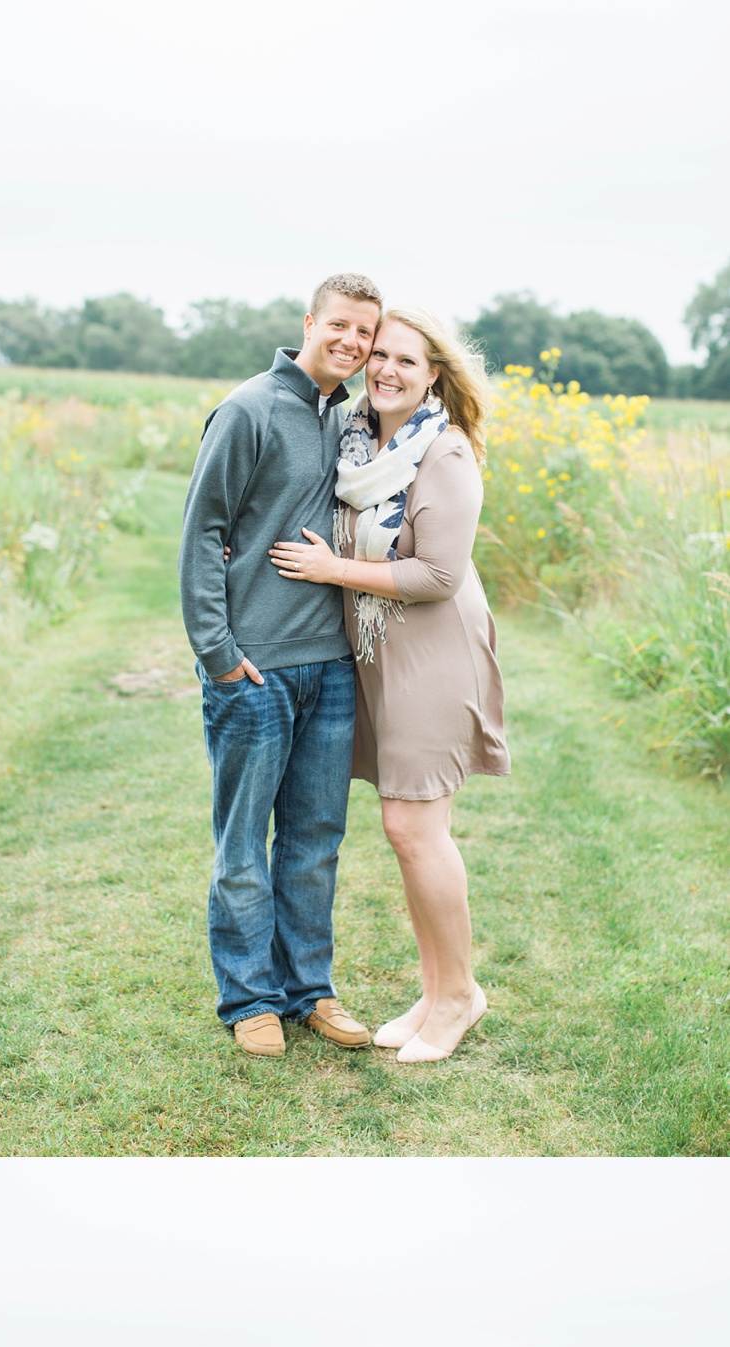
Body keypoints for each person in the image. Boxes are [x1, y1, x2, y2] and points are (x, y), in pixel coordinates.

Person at [269, 307, 509, 1064]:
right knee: (404, 835)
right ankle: (437, 988)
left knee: (415, 830)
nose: (387, 370)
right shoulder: (358, 443)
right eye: (380, 356)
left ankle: (459, 996)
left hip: (433, 655)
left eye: (408, 361)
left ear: (433, 373)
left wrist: (334, 570)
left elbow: (437, 575)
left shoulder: (444, 454)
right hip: (379, 654)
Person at [179, 275, 382, 1059]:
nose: (352, 342)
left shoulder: (353, 422)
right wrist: (219, 656)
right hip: (253, 671)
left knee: (315, 840)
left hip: (329, 667)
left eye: (364, 333)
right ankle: (249, 997)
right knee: (242, 846)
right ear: (310, 322)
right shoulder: (247, 409)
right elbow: (204, 533)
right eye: (340, 325)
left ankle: (311, 991)